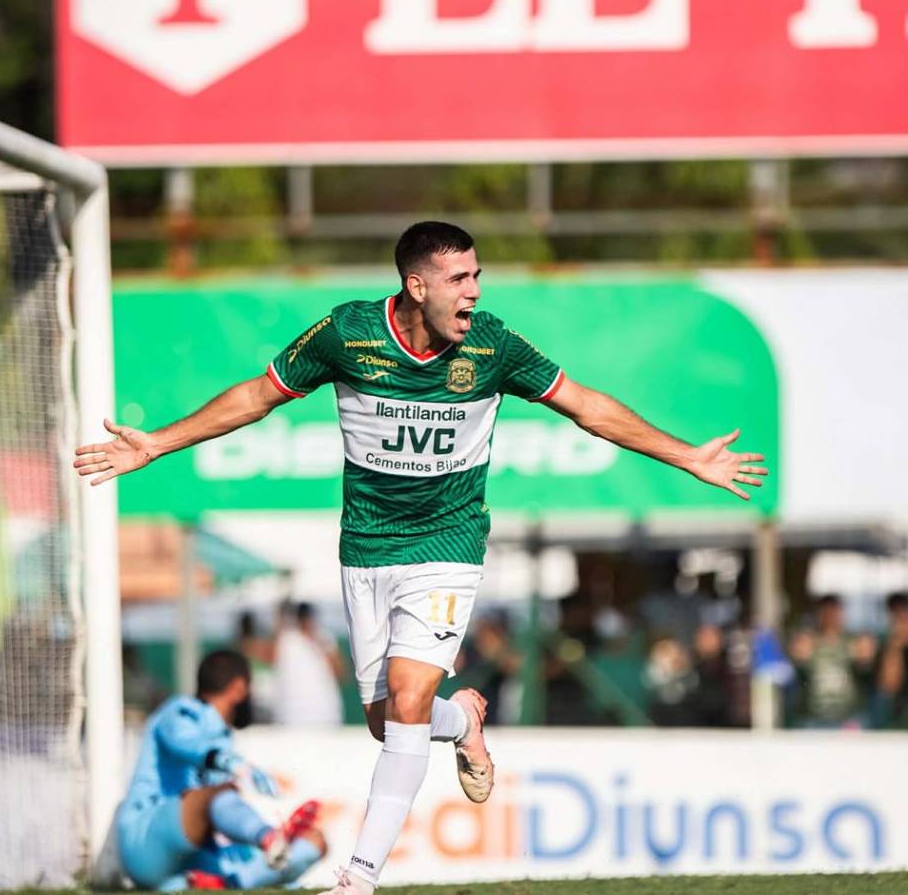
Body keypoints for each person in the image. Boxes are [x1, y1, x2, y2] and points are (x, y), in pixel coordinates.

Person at [76, 221, 768, 895]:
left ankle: (359, 877)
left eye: (478, 276)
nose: (473, 291)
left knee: (407, 698)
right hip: (366, 550)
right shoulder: (348, 333)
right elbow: (258, 396)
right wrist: (157, 443)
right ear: (416, 285)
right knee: (389, 719)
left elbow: (586, 405)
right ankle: (463, 719)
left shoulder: (492, 346)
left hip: (449, 546)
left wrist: (686, 456)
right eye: (459, 278)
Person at [113, 650, 326, 891]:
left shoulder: (224, 737)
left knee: (314, 841)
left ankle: (229, 881)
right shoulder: (180, 711)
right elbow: (187, 744)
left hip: (193, 854)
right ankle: (268, 842)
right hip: (145, 842)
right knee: (216, 795)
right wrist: (231, 763)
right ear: (239, 688)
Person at [789, 594, 877, 728]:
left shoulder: (853, 641)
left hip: (849, 718)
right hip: (813, 719)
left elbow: (866, 672)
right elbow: (797, 672)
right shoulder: (808, 642)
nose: (830, 616)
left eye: (834, 611)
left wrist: (865, 657)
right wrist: (799, 656)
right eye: (825, 611)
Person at [273, 602, 345, 726]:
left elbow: (341, 673)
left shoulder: (325, 638)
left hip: (325, 714)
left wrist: (318, 642)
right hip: (292, 715)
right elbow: (268, 654)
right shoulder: (287, 638)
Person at [874, 592, 908, 729]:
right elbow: (889, 685)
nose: (900, 617)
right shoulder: (885, 642)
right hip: (897, 715)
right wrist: (896, 646)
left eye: (904, 610)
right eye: (895, 611)